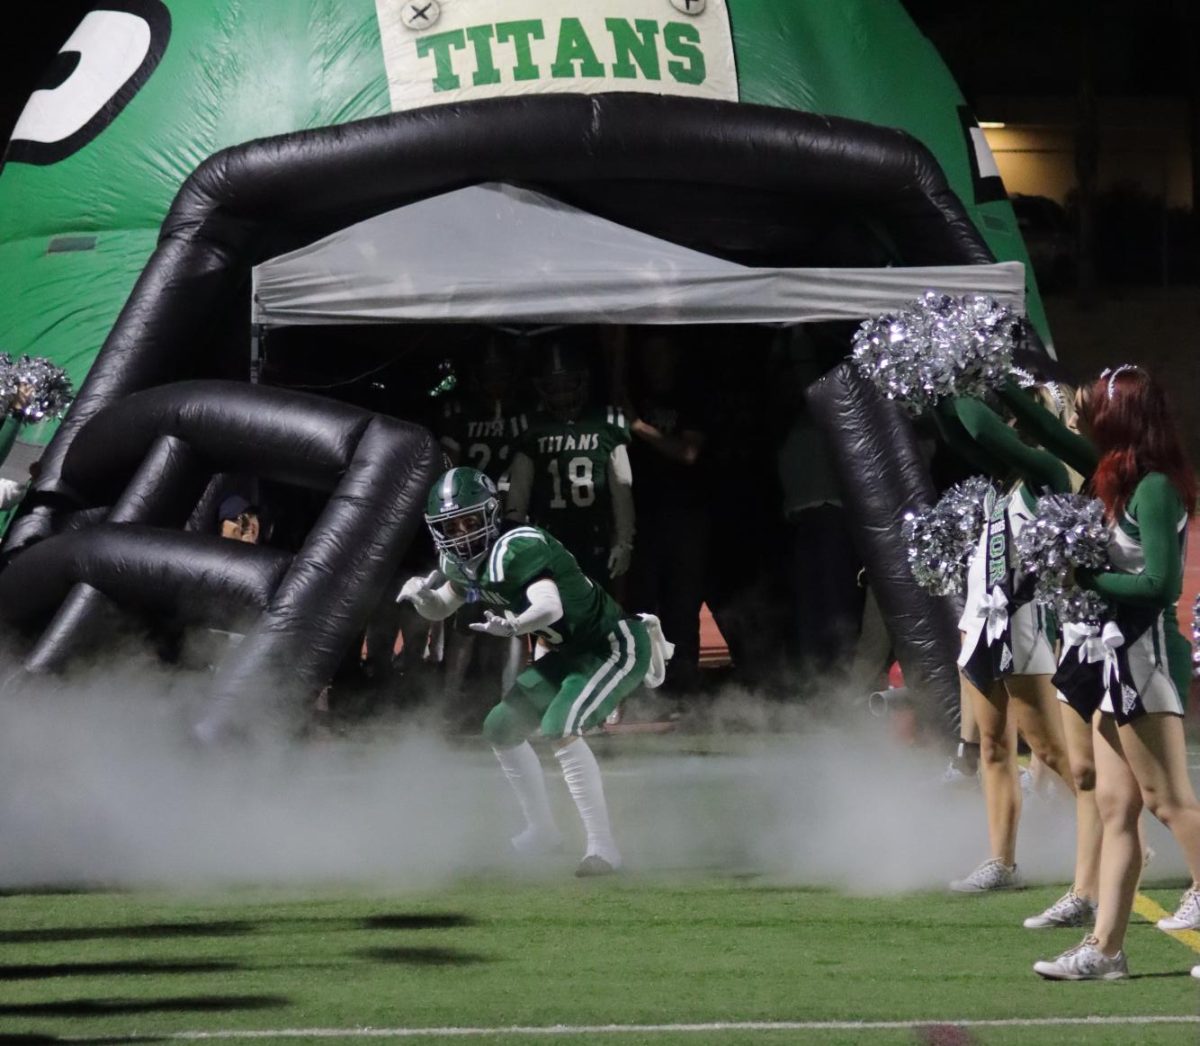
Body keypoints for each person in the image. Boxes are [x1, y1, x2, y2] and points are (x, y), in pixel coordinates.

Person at [1013, 365, 1200, 981]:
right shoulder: (1114, 475)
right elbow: (1033, 429)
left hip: (1144, 655)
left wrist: (1084, 576)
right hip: (1112, 659)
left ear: (1123, 417)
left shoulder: (1154, 488)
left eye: (1097, 407)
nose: (1084, 417)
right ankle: (1106, 950)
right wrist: (986, 377)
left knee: (1170, 803)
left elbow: (1160, 584)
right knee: (1118, 810)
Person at [399, 466, 671, 876]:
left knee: (560, 724)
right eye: (449, 525)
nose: (460, 533)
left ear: (490, 514)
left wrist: (512, 626)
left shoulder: (517, 546)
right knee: (500, 726)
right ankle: (542, 830)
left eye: (469, 521)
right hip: (571, 651)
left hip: (612, 645)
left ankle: (604, 847)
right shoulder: (458, 562)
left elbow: (550, 607)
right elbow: (442, 605)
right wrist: (421, 597)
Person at [934, 386, 1088, 921]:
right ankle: (1002, 860)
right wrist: (936, 391)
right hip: (982, 626)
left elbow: (982, 430)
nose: (1009, 419)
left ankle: (1126, 835)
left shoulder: (1045, 470)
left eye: (1023, 409)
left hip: (1020, 625)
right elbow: (959, 433)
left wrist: (981, 381)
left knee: (1050, 752)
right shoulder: (1003, 482)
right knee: (994, 749)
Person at [505, 342, 634, 591]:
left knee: (594, 612)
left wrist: (624, 542)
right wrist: (515, 542)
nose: (562, 394)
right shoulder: (531, 427)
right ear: (541, 388)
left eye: (567, 385)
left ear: (583, 382)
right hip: (550, 534)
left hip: (594, 535)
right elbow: (518, 493)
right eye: (554, 387)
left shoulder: (606, 422)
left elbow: (622, 487)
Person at [624, 333, 707, 695]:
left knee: (682, 605)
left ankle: (684, 685)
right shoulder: (634, 395)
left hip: (685, 515)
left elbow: (688, 453)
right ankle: (645, 685)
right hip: (642, 517)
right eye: (649, 354)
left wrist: (640, 427)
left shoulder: (691, 398)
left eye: (662, 353)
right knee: (642, 605)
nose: (656, 362)